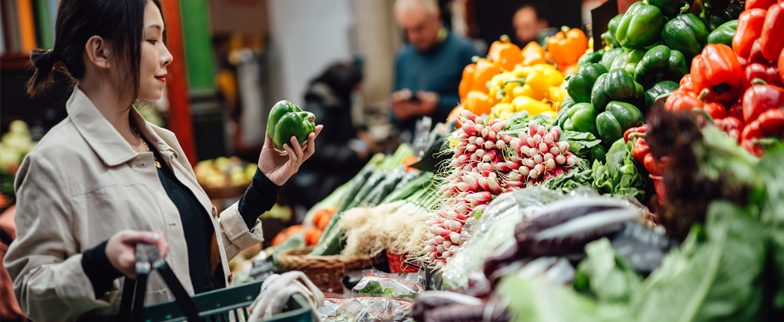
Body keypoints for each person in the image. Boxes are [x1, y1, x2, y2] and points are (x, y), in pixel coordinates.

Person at [2, 0, 322, 320]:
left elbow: (191, 256)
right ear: (100, 52)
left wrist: (263, 186)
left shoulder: (161, 143)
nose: (167, 55)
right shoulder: (52, 164)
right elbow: (32, 293)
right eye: (152, 40)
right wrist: (98, 264)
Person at [280, 62, 373, 209]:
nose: (356, 94)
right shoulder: (320, 107)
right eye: (354, 89)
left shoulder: (335, 102)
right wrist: (353, 154)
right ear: (343, 85)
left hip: (331, 176)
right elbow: (315, 148)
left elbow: (338, 131)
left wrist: (358, 132)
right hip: (318, 183)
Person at [391, 0, 479, 134]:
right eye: (408, 30)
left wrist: (438, 105)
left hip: (458, 144)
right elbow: (393, 117)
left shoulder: (465, 51)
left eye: (420, 28)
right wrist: (400, 111)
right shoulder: (402, 58)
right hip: (414, 146)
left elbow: (481, 105)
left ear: (437, 17)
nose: (414, 36)